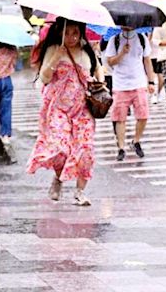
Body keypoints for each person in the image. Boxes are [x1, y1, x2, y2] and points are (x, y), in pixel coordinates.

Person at [26, 17, 104, 206]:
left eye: (75, 33)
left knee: (85, 149)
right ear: (60, 33)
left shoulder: (87, 51)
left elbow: (99, 70)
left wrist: (100, 82)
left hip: (83, 110)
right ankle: (58, 179)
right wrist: (55, 57)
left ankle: (80, 192)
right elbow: (44, 78)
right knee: (61, 148)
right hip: (57, 108)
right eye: (67, 33)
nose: (71, 37)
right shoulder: (54, 49)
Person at [105, 27, 155, 161]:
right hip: (120, 84)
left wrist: (151, 81)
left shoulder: (141, 38)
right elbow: (110, 62)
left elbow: (147, 60)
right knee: (120, 118)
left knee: (143, 116)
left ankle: (136, 141)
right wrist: (122, 53)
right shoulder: (114, 40)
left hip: (139, 83)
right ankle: (121, 147)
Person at [0, 42, 18, 149]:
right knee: (6, 109)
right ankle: (5, 134)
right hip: (7, 80)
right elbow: (14, 64)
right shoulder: (12, 49)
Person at [148, 31, 164, 104]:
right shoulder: (146, 30)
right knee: (153, 75)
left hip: (159, 54)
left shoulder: (159, 29)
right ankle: (154, 94)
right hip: (150, 55)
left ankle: (158, 93)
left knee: (160, 75)